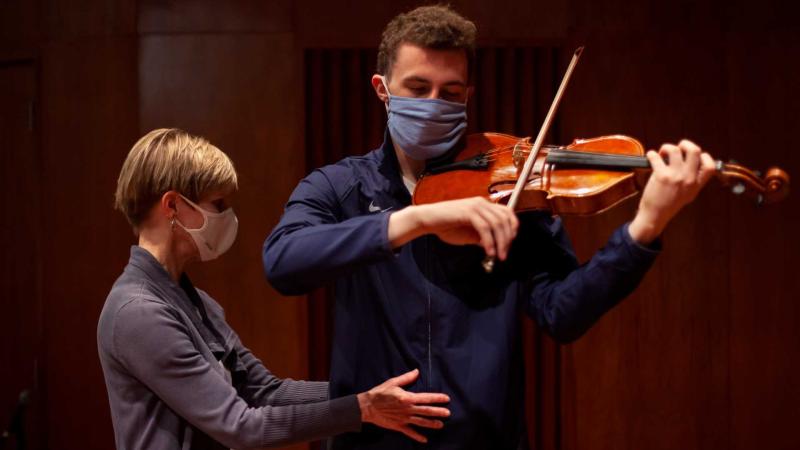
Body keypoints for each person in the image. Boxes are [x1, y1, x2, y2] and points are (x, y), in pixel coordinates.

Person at [263, 5, 716, 450]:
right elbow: (283, 261)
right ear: (382, 89)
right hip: (374, 443)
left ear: (468, 96)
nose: (433, 104)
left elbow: (563, 312)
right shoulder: (340, 186)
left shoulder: (511, 191)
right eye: (417, 88)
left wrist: (644, 228)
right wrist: (413, 220)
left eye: (451, 93)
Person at [97, 128, 451, 450]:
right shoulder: (140, 312)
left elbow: (266, 391)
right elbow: (240, 426)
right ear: (172, 205)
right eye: (217, 205)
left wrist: (368, 390)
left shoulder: (194, 301)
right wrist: (362, 408)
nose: (227, 217)